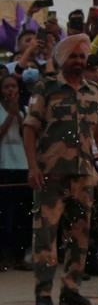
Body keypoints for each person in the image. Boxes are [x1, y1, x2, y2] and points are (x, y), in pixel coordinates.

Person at [22, 34, 98, 305]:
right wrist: (32, 166)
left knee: (79, 235)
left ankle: (71, 288)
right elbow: (30, 128)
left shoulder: (92, 91)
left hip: (83, 175)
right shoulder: (47, 87)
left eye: (81, 56)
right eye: (73, 56)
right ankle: (43, 291)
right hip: (50, 175)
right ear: (63, 59)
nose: (78, 61)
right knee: (46, 235)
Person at [0, 75, 32, 270]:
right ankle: (4, 256)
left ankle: (20, 256)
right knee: (4, 214)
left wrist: (18, 114)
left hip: (23, 166)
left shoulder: (24, 110)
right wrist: (10, 114)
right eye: (6, 87)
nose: (10, 90)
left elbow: (27, 134)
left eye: (13, 86)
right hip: (4, 167)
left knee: (23, 215)